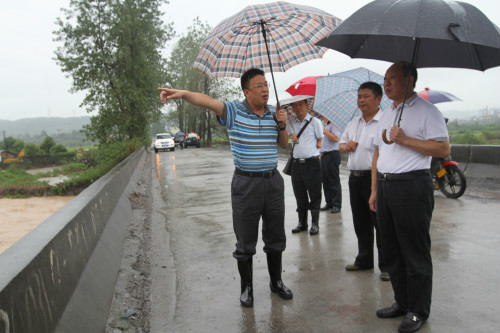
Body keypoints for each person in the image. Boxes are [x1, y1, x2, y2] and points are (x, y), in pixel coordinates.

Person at [158, 68, 293, 308]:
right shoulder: (233, 110)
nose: (265, 89)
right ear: (246, 91)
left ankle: (276, 282)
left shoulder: (275, 112)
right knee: (245, 239)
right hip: (246, 183)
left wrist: (282, 125)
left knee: (275, 236)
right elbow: (208, 101)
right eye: (259, 86)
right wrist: (183, 93)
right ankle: (247, 288)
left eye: (266, 85)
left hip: (272, 182)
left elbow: (284, 145)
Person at [368, 62, 450, 333]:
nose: (386, 84)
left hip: (412, 186)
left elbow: (442, 146)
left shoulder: (428, 111)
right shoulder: (388, 112)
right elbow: (380, 153)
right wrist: (376, 190)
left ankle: (418, 310)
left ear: (410, 81)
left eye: (392, 79)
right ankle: (402, 302)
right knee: (391, 251)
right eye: (385, 79)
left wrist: (405, 140)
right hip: (387, 185)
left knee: (414, 253)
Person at [339, 82, 388, 281]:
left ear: (378, 99)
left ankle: (386, 265)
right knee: (360, 221)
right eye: (359, 96)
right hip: (355, 178)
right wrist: (346, 146)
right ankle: (364, 259)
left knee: (380, 223)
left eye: (366, 96)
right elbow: (340, 145)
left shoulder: (384, 122)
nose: (361, 100)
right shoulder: (354, 123)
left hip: (374, 179)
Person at [284, 96, 324, 235]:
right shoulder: (291, 122)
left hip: (312, 163)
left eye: (300, 105)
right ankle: (302, 223)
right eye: (294, 105)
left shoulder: (315, 122)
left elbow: (320, 138)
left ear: (306, 105)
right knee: (299, 194)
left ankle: (315, 224)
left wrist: (319, 146)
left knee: (314, 194)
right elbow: (288, 131)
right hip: (296, 164)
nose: (297, 108)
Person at [319, 116, 342, 214]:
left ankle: (336, 204)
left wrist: (324, 130)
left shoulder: (334, 125)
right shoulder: (325, 125)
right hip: (324, 155)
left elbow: (335, 138)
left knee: (333, 180)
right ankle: (329, 202)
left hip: (332, 154)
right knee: (325, 180)